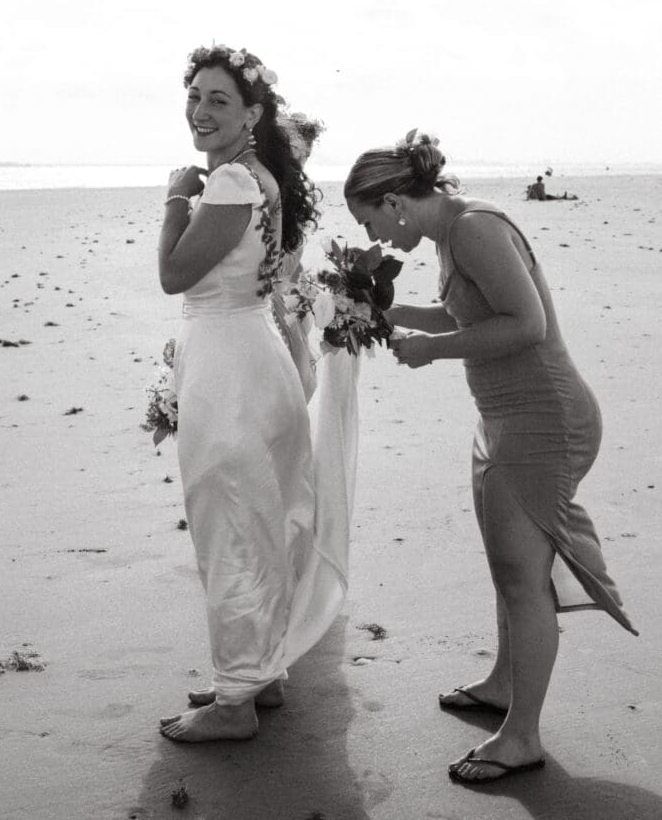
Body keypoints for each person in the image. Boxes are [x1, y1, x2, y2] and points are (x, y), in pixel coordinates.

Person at [344, 131, 637, 784]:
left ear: (394, 201)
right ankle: (504, 685)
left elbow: (525, 324)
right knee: (509, 565)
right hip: (504, 417)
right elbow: (460, 314)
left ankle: (521, 736)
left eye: (371, 222)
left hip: (542, 419)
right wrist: (378, 310)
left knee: (520, 579)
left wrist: (429, 351)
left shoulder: (474, 229)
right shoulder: (452, 233)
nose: (379, 240)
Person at [157, 44, 352, 743]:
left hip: (230, 367)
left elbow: (174, 274)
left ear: (252, 113)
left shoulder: (230, 183)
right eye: (195, 97)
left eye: (218, 100)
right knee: (261, 518)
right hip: (250, 354)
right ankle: (259, 671)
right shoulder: (258, 174)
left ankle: (235, 701)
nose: (199, 111)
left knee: (229, 523)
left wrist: (177, 194)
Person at [271, 112, 325, 402]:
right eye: (292, 156)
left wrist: (315, 295)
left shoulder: (293, 203)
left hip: (289, 307)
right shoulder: (258, 195)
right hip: (261, 309)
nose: (297, 166)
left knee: (298, 389)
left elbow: (293, 264)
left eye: (303, 159)